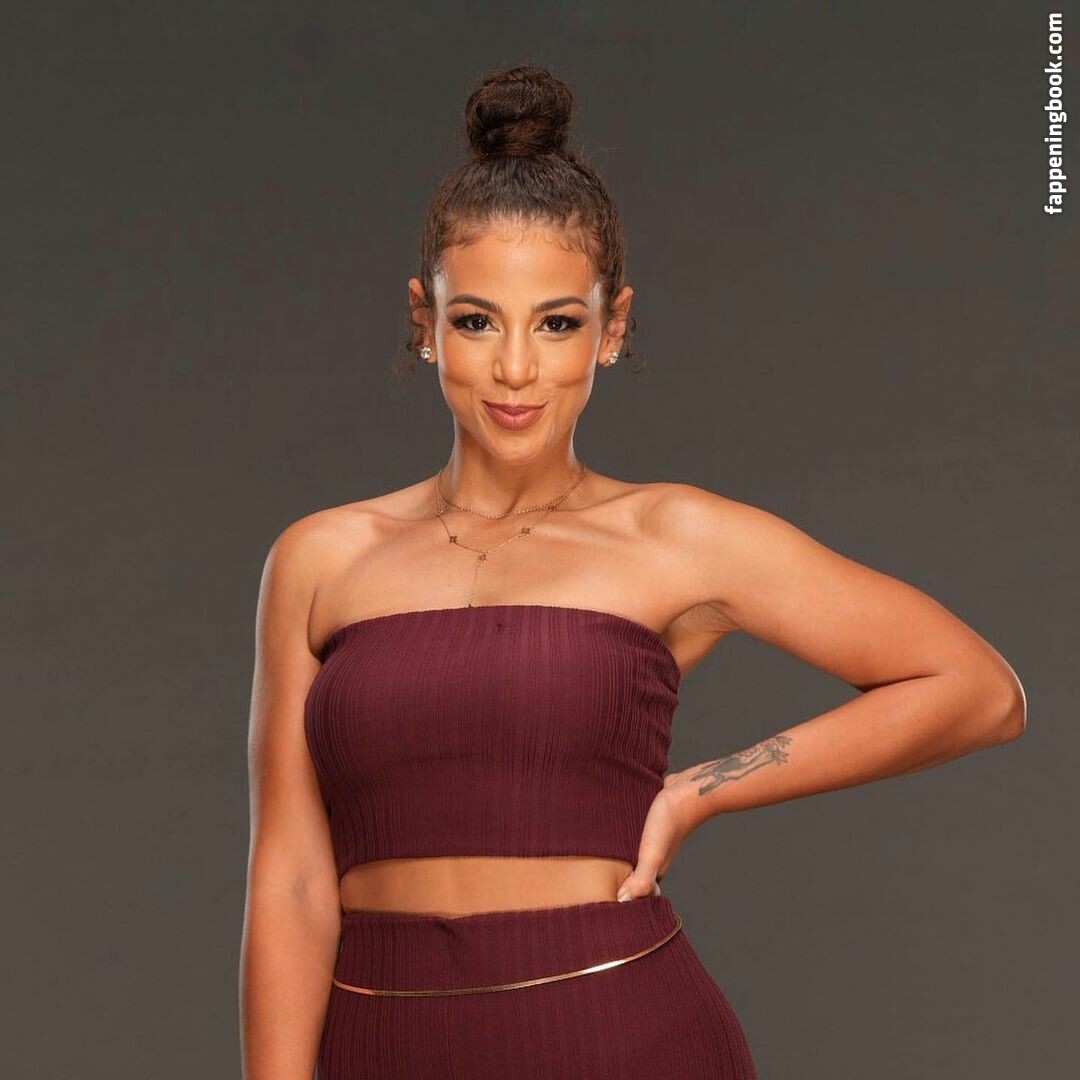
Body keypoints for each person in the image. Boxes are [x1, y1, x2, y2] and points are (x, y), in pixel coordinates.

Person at [239, 64, 1026, 1080]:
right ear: (424, 322)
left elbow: (978, 690)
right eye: (476, 321)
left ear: (611, 328)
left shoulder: (671, 536)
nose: (516, 368)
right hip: (380, 1039)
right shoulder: (319, 557)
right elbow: (292, 881)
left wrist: (701, 790)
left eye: (557, 322)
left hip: (617, 1031)